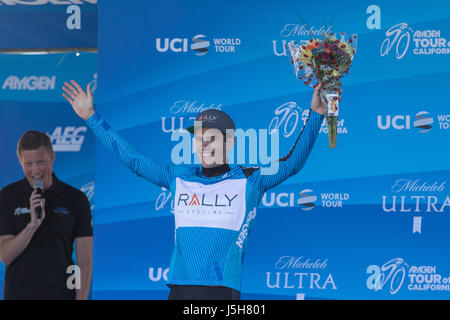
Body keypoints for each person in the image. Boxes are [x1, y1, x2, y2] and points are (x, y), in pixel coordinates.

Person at [62, 80, 339, 300]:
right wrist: (91, 116)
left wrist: (316, 114)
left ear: (229, 142)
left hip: (221, 290)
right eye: (198, 139)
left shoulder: (250, 179)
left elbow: (291, 163)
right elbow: (133, 159)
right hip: (179, 288)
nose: (202, 146)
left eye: (211, 139)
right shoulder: (179, 176)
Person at [0, 131, 93, 300]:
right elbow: (5, 256)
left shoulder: (75, 199)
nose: (35, 170)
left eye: (41, 162)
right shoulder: (7, 196)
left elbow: (85, 262)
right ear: (20, 162)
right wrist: (32, 225)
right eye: (29, 163)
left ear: (52, 157)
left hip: (61, 294)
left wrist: (81, 298)